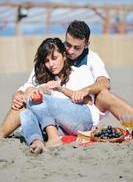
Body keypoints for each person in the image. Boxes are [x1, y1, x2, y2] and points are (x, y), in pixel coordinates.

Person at [0, 20, 133, 138]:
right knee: (27, 99)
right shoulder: (55, 54)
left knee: (104, 95)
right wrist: (18, 95)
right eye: (68, 45)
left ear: (86, 44)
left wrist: (85, 90)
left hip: (81, 111)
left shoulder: (91, 58)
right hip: (54, 111)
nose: (70, 51)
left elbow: (104, 83)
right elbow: (28, 86)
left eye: (77, 48)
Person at [20, 37, 106, 154]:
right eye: (47, 61)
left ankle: (53, 138)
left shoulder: (78, 71)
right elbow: (32, 91)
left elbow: (88, 101)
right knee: (25, 113)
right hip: (64, 125)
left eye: (54, 58)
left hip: (85, 118)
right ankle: (37, 142)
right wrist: (41, 89)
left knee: (39, 99)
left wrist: (61, 89)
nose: (51, 64)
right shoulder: (49, 77)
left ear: (64, 56)